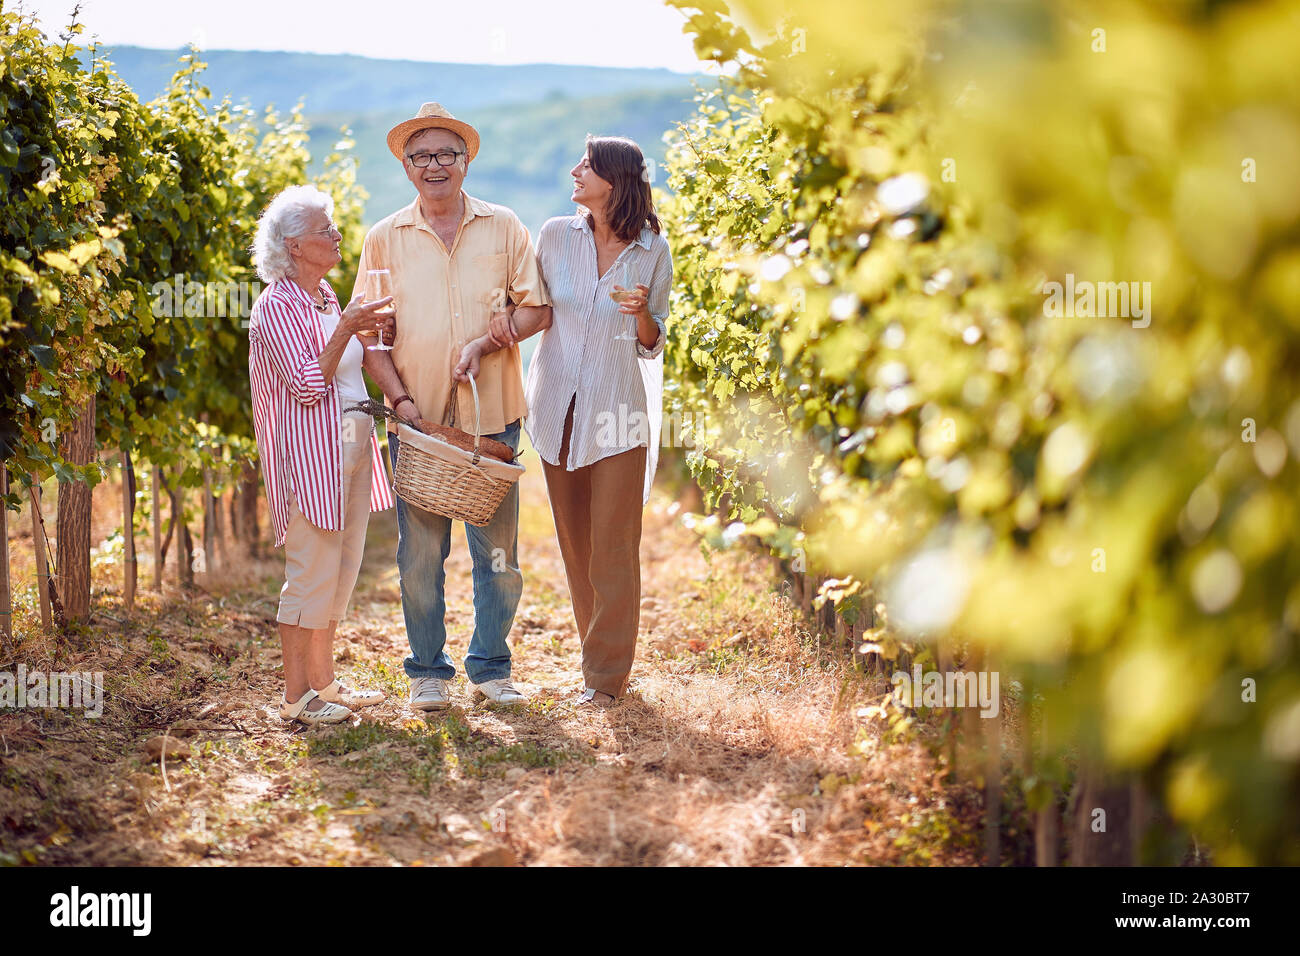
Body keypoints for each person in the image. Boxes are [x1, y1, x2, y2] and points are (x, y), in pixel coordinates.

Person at [464, 135, 671, 708]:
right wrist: (491, 335)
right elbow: (539, 310)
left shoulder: (651, 249)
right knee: (577, 546)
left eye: (588, 164)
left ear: (616, 179)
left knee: (614, 547)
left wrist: (642, 315)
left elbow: (653, 345)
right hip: (559, 408)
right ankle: (594, 661)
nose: (575, 171)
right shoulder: (555, 235)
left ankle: (606, 680)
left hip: (618, 414)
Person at [358, 103, 552, 711]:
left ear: (466, 162)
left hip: (491, 415)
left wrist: (488, 339)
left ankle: (492, 668)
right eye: (421, 156)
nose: (434, 165)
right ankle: (427, 671)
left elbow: (536, 309)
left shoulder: (504, 226)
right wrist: (401, 400)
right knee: (419, 556)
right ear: (407, 168)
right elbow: (369, 335)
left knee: (498, 556)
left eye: (446, 154)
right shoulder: (384, 238)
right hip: (419, 424)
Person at [248, 185, 395, 725]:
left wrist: (368, 329)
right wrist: (348, 328)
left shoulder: (327, 296)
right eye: (323, 229)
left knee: (344, 567)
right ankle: (295, 697)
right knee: (310, 572)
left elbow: (352, 365)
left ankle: (323, 682)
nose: (335, 235)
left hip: (353, 447)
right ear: (292, 244)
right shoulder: (276, 305)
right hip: (312, 457)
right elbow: (309, 385)